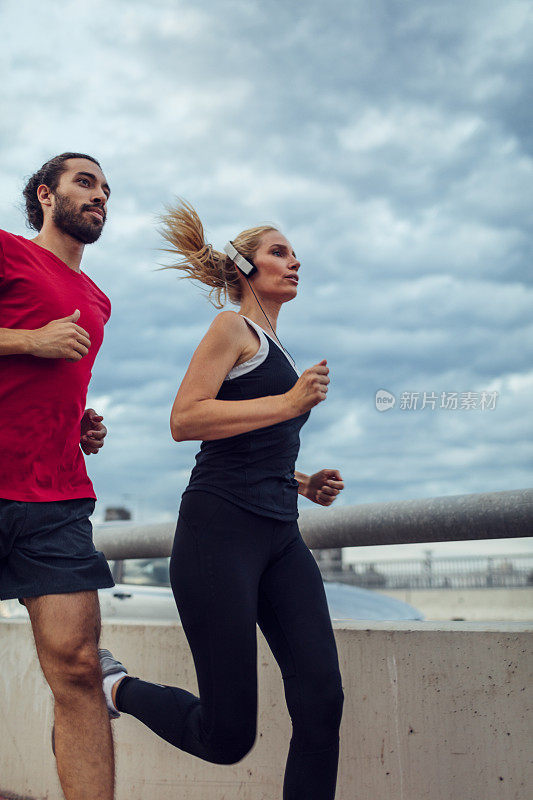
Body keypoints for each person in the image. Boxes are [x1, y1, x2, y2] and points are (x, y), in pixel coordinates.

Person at [103, 200, 345, 798]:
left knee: (322, 701)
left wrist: (301, 481)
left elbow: (253, 446)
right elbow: (185, 420)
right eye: (278, 252)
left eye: (294, 253)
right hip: (220, 533)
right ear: (244, 268)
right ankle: (114, 687)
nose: (295, 261)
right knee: (226, 736)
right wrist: (290, 404)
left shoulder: (280, 349)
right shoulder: (230, 328)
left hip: (281, 535)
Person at [0, 153, 116, 800]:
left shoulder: (98, 299)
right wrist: (28, 340)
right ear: (46, 195)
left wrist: (79, 424)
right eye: (85, 182)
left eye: (105, 188)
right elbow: (35, 350)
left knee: (78, 667)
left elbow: (51, 385)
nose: (99, 195)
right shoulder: (7, 253)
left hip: (56, 499)